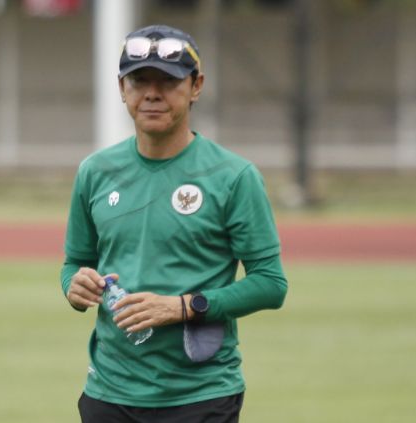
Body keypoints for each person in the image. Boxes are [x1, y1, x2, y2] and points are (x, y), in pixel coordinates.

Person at [60, 24, 288, 422]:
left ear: (196, 86)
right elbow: (74, 262)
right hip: (109, 392)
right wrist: (74, 285)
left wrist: (183, 307)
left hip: (200, 395)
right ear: (121, 88)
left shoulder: (232, 176)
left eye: (167, 81)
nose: (151, 92)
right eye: (139, 80)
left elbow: (271, 284)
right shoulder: (95, 171)